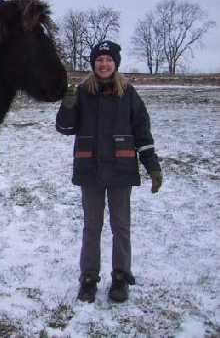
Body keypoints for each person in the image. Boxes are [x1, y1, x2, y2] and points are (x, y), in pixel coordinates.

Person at [56, 40, 163, 303]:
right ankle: (89, 278)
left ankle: (120, 277)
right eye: (99, 60)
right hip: (89, 170)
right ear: (93, 64)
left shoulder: (129, 94)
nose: (104, 64)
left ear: (115, 64)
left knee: (121, 227)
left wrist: (153, 166)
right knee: (91, 227)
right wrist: (67, 105)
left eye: (109, 60)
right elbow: (65, 128)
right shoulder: (82, 92)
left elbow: (142, 133)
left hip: (121, 171)